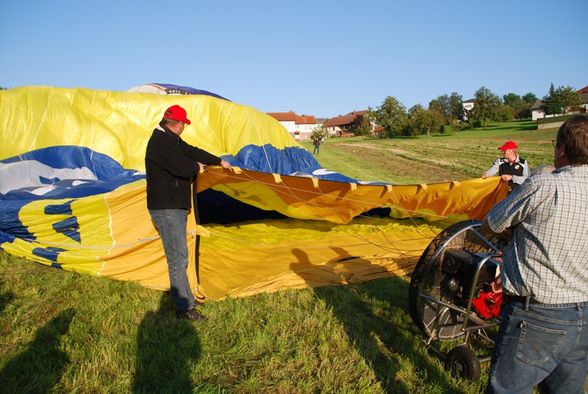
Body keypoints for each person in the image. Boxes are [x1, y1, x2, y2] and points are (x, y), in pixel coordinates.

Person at [481, 115, 588, 393]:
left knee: (508, 389)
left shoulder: (543, 185)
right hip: (583, 313)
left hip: (538, 313)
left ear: (562, 149)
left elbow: (491, 223)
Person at [145, 104, 231, 321]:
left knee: (179, 256)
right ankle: (185, 309)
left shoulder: (169, 139)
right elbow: (183, 167)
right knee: (178, 258)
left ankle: (184, 303)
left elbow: (191, 151)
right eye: (184, 124)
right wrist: (197, 168)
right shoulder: (160, 143)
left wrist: (218, 161)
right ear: (179, 124)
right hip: (167, 209)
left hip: (173, 207)